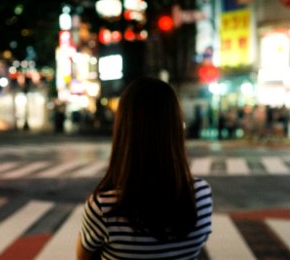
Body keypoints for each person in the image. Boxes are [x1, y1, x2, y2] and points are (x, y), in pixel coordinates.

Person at [76, 77, 213, 260]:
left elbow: (84, 257)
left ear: (124, 130)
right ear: (175, 128)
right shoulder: (201, 196)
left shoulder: (104, 208)